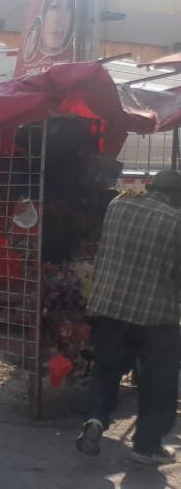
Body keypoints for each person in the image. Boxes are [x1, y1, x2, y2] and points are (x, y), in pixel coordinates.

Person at [75, 170, 181, 465]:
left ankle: (95, 419)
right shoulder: (176, 222)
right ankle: (146, 446)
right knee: (158, 380)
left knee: (107, 368)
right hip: (155, 316)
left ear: (151, 186)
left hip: (111, 306)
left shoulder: (117, 206)